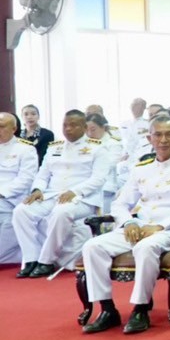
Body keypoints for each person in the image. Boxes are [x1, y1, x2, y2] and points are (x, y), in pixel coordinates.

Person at [80, 115, 170, 335]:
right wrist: (129, 221)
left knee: (145, 247)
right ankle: (107, 309)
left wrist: (161, 226)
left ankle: (140, 309)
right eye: (157, 134)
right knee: (92, 246)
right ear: (149, 138)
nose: (163, 140)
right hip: (139, 227)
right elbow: (120, 203)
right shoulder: (141, 168)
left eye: (169, 134)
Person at [15, 110, 114, 279]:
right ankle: (31, 259)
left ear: (84, 127)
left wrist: (75, 191)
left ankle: (46, 261)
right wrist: (37, 189)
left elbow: (99, 178)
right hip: (52, 195)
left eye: (73, 125)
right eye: (65, 125)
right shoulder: (55, 147)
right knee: (21, 211)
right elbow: (43, 174)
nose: (68, 129)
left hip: (83, 198)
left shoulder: (97, 148)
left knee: (61, 212)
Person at [0, 112, 42, 263]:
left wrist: (1, 193)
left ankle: (20, 255)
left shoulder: (25, 149)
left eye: (2, 127)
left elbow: (26, 179)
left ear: (14, 129)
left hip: (11, 201)